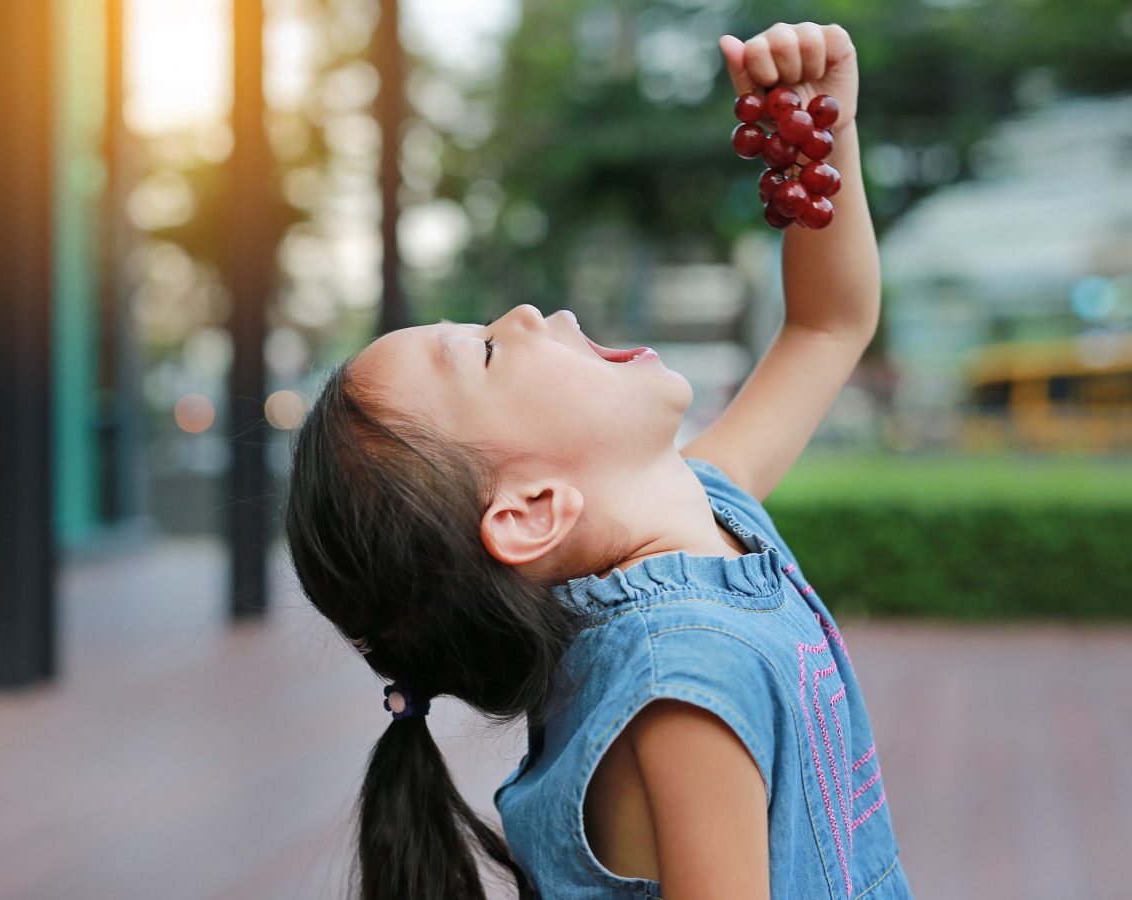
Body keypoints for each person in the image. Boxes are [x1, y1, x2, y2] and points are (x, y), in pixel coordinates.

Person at [283, 20, 914, 900]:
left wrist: (820, 138)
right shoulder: (681, 683)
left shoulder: (705, 515)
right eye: (491, 351)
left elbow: (826, 325)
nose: (527, 314)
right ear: (532, 508)